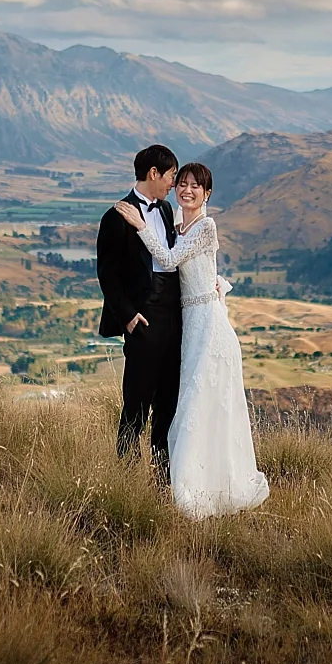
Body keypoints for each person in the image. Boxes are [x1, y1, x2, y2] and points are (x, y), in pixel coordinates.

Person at [112, 162, 269, 518]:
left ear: (207, 194)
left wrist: (138, 225)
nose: (186, 190)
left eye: (195, 186)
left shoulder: (206, 226)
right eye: (181, 183)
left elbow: (168, 258)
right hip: (188, 324)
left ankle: (203, 489)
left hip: (208, 326)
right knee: (190, 405)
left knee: (201, 404)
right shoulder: (177, 224)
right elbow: (195, 269)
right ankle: (187, 479)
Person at [96, 144, 182, 477]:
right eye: (171, 176)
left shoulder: (165, 212)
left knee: (168, 402)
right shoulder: (115, 217)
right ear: (153, 174)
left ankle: (164, 476)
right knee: (136, 403)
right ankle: (126, 476)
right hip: (143, 318)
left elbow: (170, 260)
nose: (173, 184)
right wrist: (129, 316)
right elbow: (107, 274)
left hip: (172, 317)